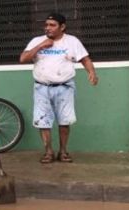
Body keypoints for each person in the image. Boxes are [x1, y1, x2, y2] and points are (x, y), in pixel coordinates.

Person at [19, 13, 98, 164]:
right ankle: (48, 152)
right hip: (42, 87)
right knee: (43, 121)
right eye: (46, 25)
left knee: (64, 121)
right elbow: (23, 59)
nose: (48, 28)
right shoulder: (37, 41)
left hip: (65, 87)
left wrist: (92, 73)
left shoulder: (72, 41)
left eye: (52, 25)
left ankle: (63, 151)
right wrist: (41, 46)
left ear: (62, 27)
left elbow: (85, 59)